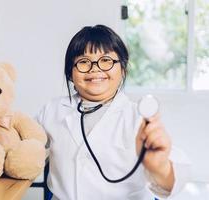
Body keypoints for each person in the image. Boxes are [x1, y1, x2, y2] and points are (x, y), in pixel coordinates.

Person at [36, 25, 190, 200]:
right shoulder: (52, 110)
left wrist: (160, 168)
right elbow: (25, 146)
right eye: (83, 62)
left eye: (106, 60)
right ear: (71, 73)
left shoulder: (138, 118)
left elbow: (174, 180)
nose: (95, 68)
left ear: (122, 69)